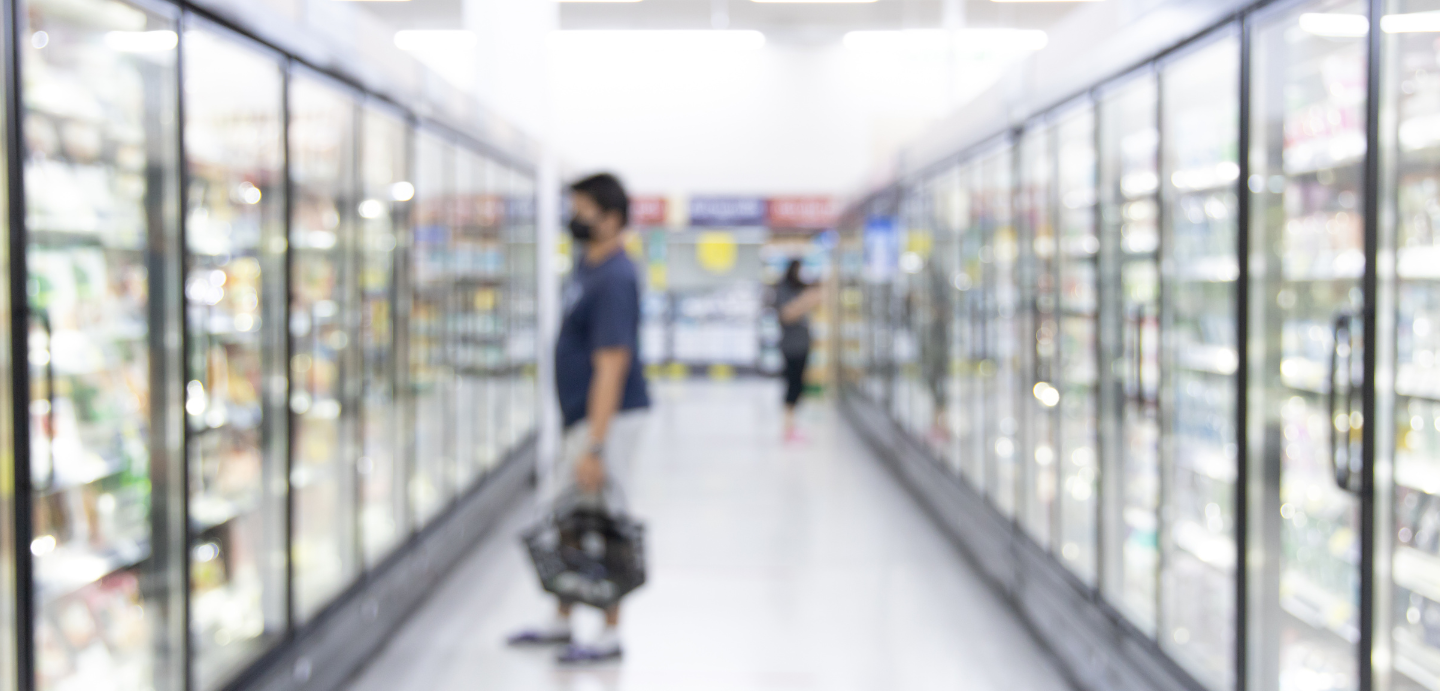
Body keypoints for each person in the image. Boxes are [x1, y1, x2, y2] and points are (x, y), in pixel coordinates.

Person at [508, 172, 650, 664]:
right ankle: (562, 619)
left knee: (605, 520)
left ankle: (609, 634)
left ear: (611, 219)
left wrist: (595, 444)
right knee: (569, 517)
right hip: (582, 420)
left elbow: (612, 364)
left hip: (605, 422)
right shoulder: (588, 266)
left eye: (582, 209)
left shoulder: (615, 277)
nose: (574, 218)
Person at [774, 259, 822, 441]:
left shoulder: (799, 289)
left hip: (803, 345)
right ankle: (788, 427)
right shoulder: (784, 290)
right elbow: (786, 315)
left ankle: (792, 425)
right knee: (792, 385)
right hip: (791, 346)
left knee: (799, 386)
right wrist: (806, 301)